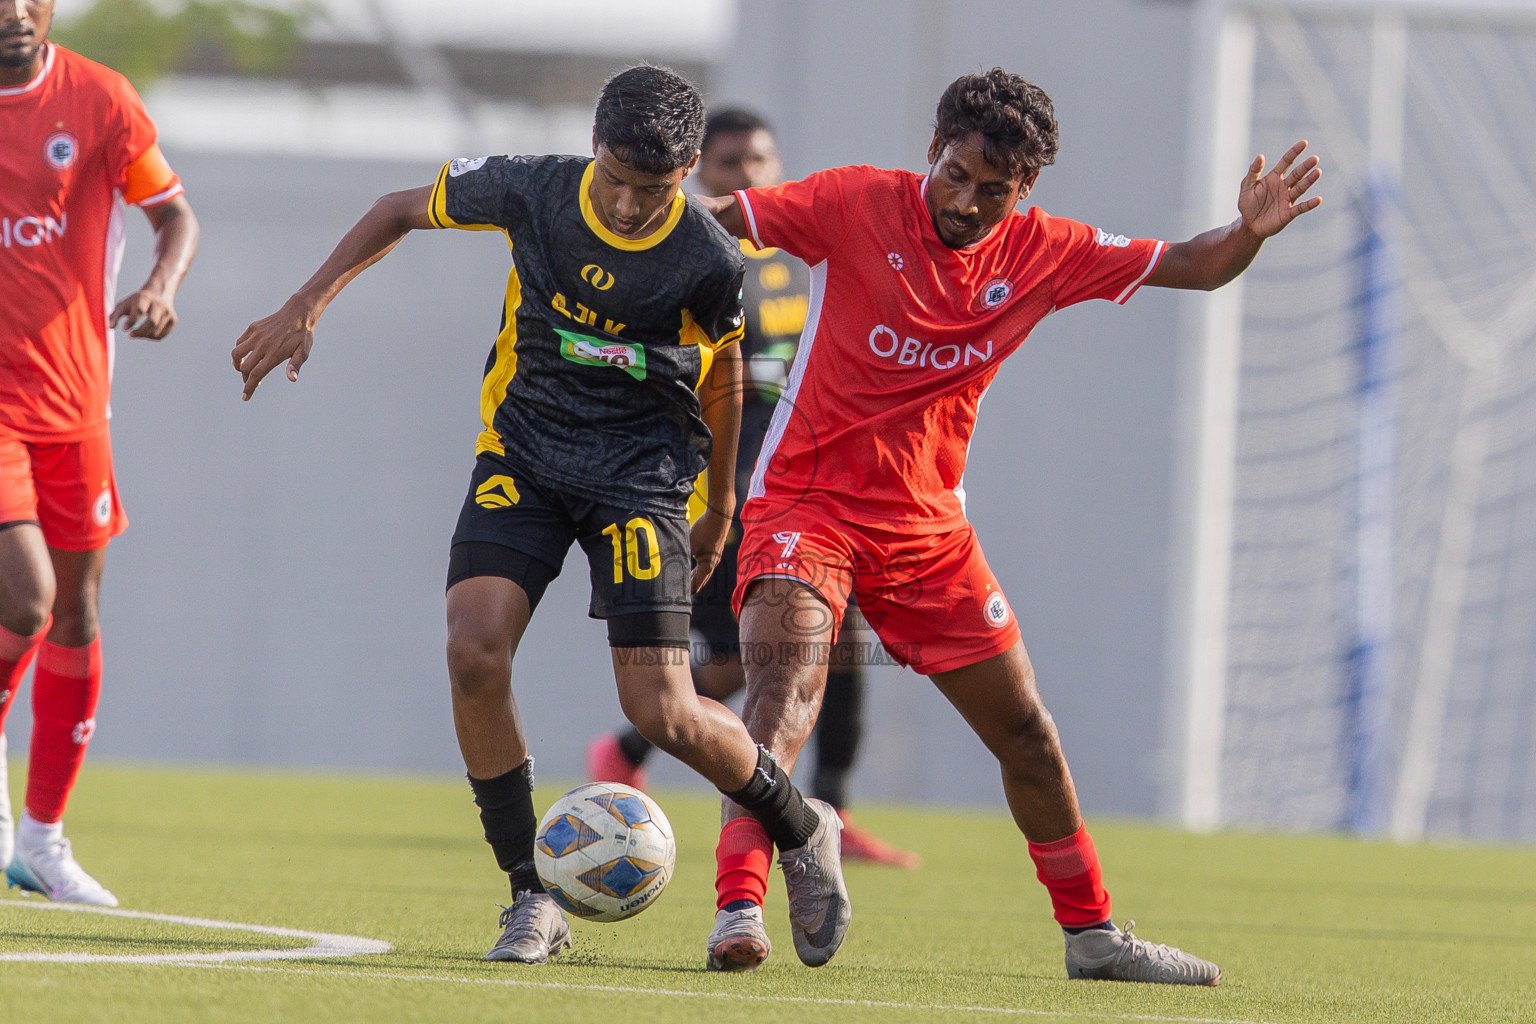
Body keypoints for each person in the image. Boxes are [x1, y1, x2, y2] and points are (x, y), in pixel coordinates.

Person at [694, 68, 1321, 979]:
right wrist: (627, 215)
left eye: (995, 190)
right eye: (956, 174)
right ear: (932, 154)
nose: (968, 201)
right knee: (784, 699)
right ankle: (738, 911)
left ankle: (1095, 937)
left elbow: (1196, 264)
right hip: (806, 504)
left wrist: (1248, 233)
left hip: (928, 534)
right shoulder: (854, 201)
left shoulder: (1044, 250)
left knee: (1027, 733)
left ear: (1025, 192)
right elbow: (719, 220)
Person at [232, 65, 850, 968]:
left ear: (684, 177)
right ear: (593, 147)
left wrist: (718, 506)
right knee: (473, 649)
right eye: (618, 181)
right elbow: (399, 207)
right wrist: (304, 304)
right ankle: (530, 895)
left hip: (642, 477)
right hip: (525, 453)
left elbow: (719, 374)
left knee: (664, 709)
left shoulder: (710, 258)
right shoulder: (533, 187)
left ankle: (802, 828)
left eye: (656, 189)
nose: (634, 206)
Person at [586, 107, 919, 870]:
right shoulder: (686, 260)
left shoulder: (807, 263)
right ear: (702, 172)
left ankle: (830, 808)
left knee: (836, 646)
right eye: (729, 164)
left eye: (758, 160)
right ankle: (638, 743)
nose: (746, 174)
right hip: (723, 495)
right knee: (766, 652)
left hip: (819, 492)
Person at [0, 0, 199, 907]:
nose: (10, 10)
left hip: (76, 404)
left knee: (74, 615)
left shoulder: (100, 98)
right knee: (28, 594)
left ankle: (41, 839)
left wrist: (162, 287)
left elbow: (174, 216)